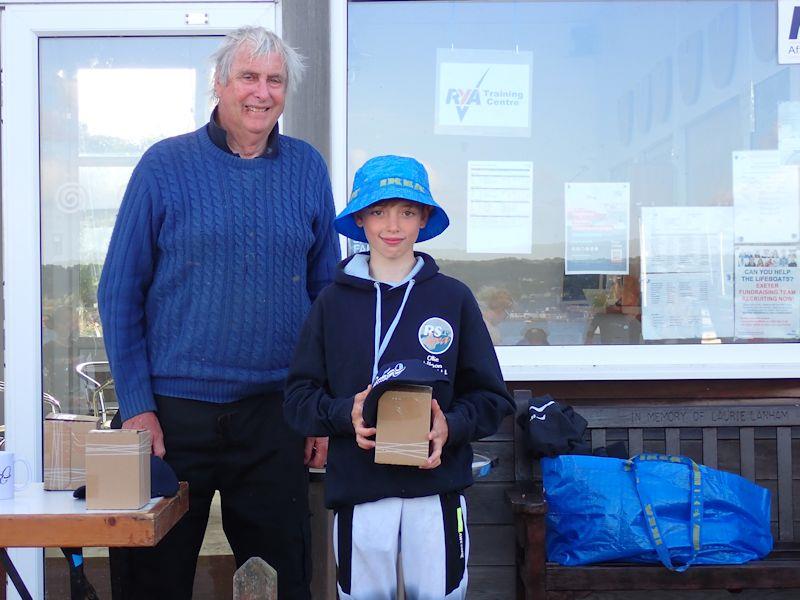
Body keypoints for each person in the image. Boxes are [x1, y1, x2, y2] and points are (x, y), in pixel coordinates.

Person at [97, 26, 339, 600]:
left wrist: (319, 409)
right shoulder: (164, 166)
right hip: (172, 419)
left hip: (275, 415)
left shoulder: (307, 168)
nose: (261, 92)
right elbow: (117, 290)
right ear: (219, 84)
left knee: (279, 578)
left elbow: (327, 294)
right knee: (151, 577)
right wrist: (137, 407)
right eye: (248, 77)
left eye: (274, 80)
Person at [284, 155, 514, 599]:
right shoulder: (331, 303)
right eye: (379, 211)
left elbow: (492, 398)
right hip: (360, 495)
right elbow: (297, 399)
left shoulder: (454, 298)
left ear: (424, 218)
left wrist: (452, 425)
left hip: (436, 493)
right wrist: (340, 413)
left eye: (407, 211)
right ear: (361, 220)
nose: (393, 225)